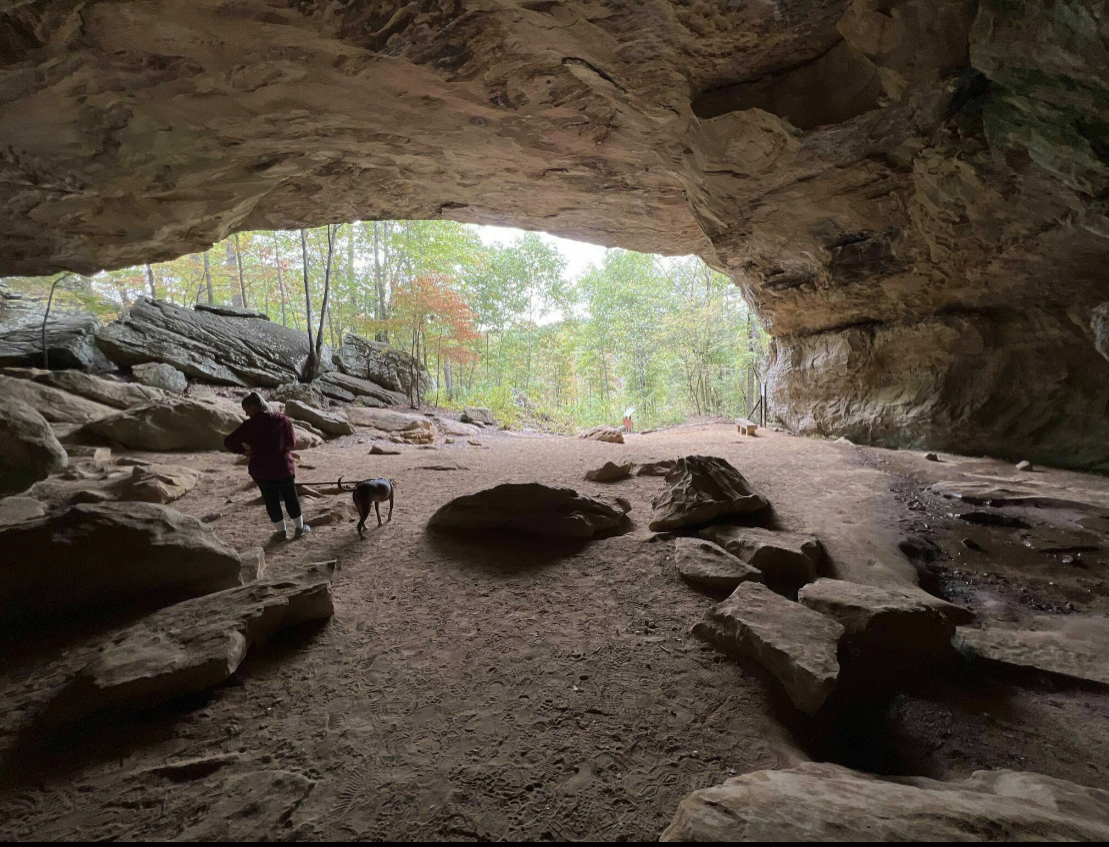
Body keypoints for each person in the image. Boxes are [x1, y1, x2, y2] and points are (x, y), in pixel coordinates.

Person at [224, 391, 310, 541]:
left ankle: (281, 532)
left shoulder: (250, 425)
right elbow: (292, 443)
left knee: (271, 501)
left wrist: (244, 451)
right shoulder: (283, 420)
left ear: (253, 407)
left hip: (261, 470)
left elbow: (229, 441)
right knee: (291, 498)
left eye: (246, 410)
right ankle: (299, 528)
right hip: (283, 467)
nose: (246, 414)